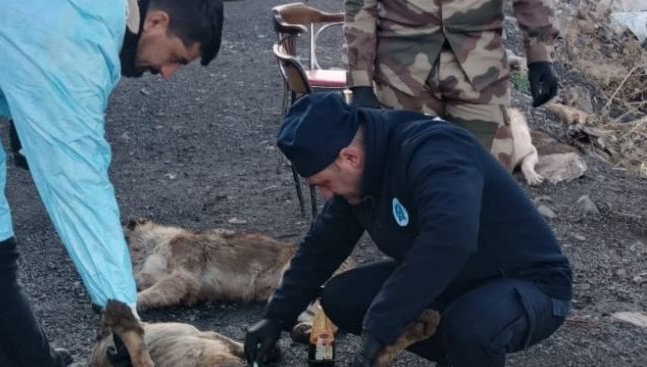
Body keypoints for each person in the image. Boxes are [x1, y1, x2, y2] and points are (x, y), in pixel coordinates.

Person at [0, 0, 224, 366]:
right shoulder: (76, 28)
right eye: (177, 59)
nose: (167, 74)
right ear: (157, 22)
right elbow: (77, 181)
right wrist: (121, 311)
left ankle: (5, 351)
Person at [244, 93, 572, 367]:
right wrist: (276, 316)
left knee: (469, 327)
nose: (327, 195)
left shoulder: (434, 152)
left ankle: (470, 347)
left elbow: (449, 240)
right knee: (341, 298)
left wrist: (381, 327)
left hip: (529, 282)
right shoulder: (360, 171)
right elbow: (320, 247)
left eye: (325, 184)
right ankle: (462, 352)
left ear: (350, 157)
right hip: (457, 278)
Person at [344, 0, 560, 169]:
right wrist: (360, 81)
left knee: (487, 179)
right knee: (404, 181)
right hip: (402, 73)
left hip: (480, 68)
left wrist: (539, 54)